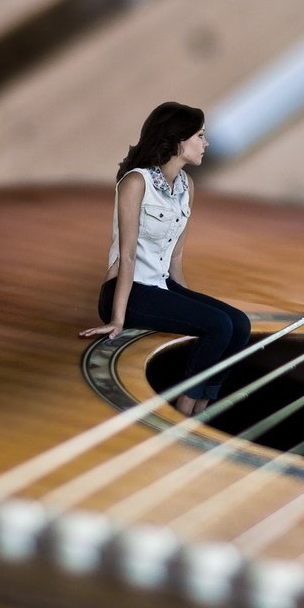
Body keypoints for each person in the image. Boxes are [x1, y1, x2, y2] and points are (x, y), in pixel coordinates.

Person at [79, 102, 252, 417]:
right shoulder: (135, 183)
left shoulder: (187, 187)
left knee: (238, 324)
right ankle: (183, 409)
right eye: (200, 135)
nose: (206, 143)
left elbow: (176, 256)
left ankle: (203, 405)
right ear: (178, 140)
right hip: (129, 291)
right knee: (218, 325)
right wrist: (116, 320)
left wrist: (192, 306)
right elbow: (128, 254)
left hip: (161, 285)